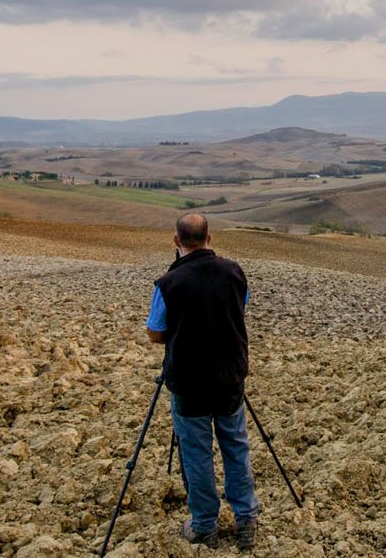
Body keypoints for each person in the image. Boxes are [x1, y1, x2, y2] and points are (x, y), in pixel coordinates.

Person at [146, 213, 260, 549]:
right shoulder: (234, 272)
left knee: (196, 454)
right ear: (209, 239)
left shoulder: (169, 284)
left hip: (189, 381)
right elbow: (240, 307)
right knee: (235, 445)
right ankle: (246, 520)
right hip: (229, 376)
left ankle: (204, 525)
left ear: (176, 241)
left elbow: (155, 333)